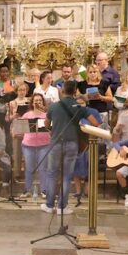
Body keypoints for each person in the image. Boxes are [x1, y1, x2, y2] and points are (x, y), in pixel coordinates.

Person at [41, 81, 100, 215]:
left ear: (62, 91)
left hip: (56, 143)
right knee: (67, 176)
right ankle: (62, 207)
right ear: (75, 92)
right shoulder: (79, 107)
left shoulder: (54, 106)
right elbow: (95, 123)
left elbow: (46, 124)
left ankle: (49, 205)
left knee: (51, 174)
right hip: (72, 143)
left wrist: (53, 129)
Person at [19, 93, 50, 198]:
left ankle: (44, 190)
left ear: (43, 102)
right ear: (32, 103)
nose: (37, 102)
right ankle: (27, 190)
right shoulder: (27, 115)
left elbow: (52, 129)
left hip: (44, 144)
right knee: (29, 168)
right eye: (35, 100)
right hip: (28, 145)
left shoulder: (47, 115)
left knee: (43, 168)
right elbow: (20, 129)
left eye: (40, 100)